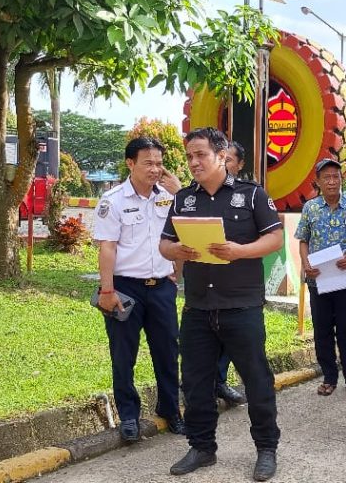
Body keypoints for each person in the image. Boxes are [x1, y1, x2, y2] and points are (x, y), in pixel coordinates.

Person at [159, 127, 283, 481]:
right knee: (195, 381)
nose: (194, 162)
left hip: (241, 306)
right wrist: (177, 251)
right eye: (189, 157)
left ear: (221, 155)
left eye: (200, 155)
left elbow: (275, 237)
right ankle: (201, 447)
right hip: (198, 306)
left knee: (257, 380)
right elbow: (164, 244)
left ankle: (266, 448)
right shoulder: (184, 199)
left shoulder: (252, 195)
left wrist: (240, 251)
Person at [92, 137, 185, 442]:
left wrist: (176, 274)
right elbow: (107, 247)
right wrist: (107, 291)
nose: (155, 169)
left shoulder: (170, 197)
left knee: (168, 352)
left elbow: (183, 235)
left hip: (161, 288)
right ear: (130, 163)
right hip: (125, 289)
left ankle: (171, 410)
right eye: (148, 163)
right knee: (123, 354)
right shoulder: (114, 200)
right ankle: (129, 416)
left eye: (159, 163)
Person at [295, 158, 346, 397]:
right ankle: (329, 377)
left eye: (335, 177)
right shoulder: (310, 208)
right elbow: (303, 240)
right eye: (326, 177)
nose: (331, 181)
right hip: (318, 281)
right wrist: (306, 263)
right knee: (323, 330)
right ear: (317, 182)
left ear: (342, 179)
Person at [210, 140, 249, 407]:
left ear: (240, 164)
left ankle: (219, 381)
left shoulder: (251, 196)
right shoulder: (198, 194)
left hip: (238, 284)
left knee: (233, 339)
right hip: (207, 282)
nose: (225, 165)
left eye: (230, 160)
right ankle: (207, 384)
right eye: (221, 159)